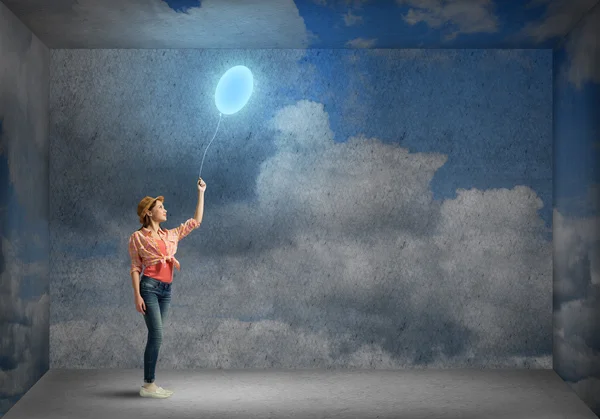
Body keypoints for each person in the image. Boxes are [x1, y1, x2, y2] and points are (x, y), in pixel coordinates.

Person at [128, 178, 206, 399]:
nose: (165, 210)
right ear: (149, 213)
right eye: (160, 207)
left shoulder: (170, 235)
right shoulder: (137, 238)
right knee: (157, 334)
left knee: (157, 335)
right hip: (149, 288)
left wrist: (201, 192)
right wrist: (137, 295)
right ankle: (148, 385)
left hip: (166, 291)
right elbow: (135, 268)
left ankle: (149, 384)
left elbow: (195, 222)